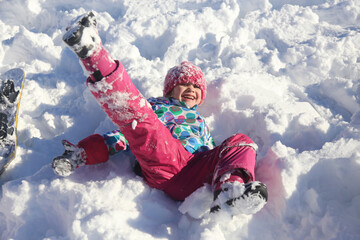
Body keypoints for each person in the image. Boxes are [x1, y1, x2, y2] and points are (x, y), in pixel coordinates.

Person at [52, 12, 268, 215]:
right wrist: (83, 153)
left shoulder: (201, 123)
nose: (191, 89)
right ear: (170, 89)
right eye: (183, 84)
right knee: (139, 116)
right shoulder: (157, 106)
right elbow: (124, 136)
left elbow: (219, 155)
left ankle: (230, 191)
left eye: (196, 87)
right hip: (166, 161)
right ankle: (92, 54)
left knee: (241, 141)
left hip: (197, 171)